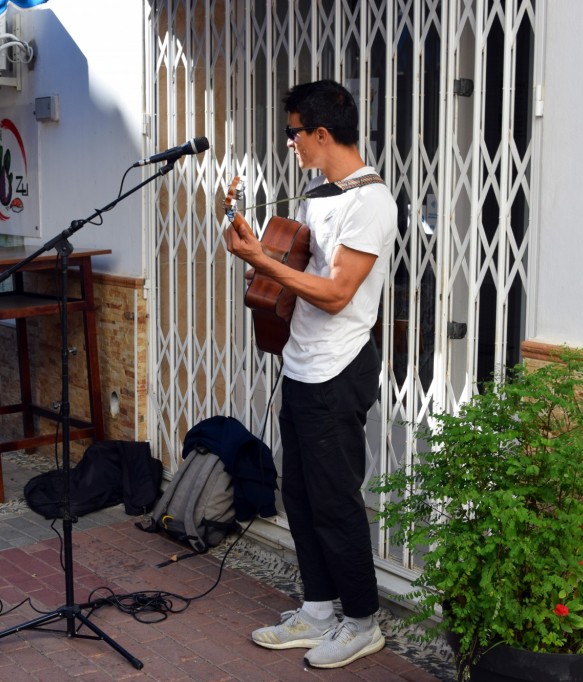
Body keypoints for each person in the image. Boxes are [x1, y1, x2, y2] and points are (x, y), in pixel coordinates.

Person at [223, 79, 397, 669]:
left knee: (334, 500)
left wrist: (257, 261)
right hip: (300, 364)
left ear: (321, 133)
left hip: (338, 368)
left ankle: (363, 621)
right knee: (297, 493)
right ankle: (319, 609)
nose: (289, 143)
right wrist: (261, 253)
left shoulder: (370, 202)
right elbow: (305, 268)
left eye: (294, 132)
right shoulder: (322, 194)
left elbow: (336, 293)